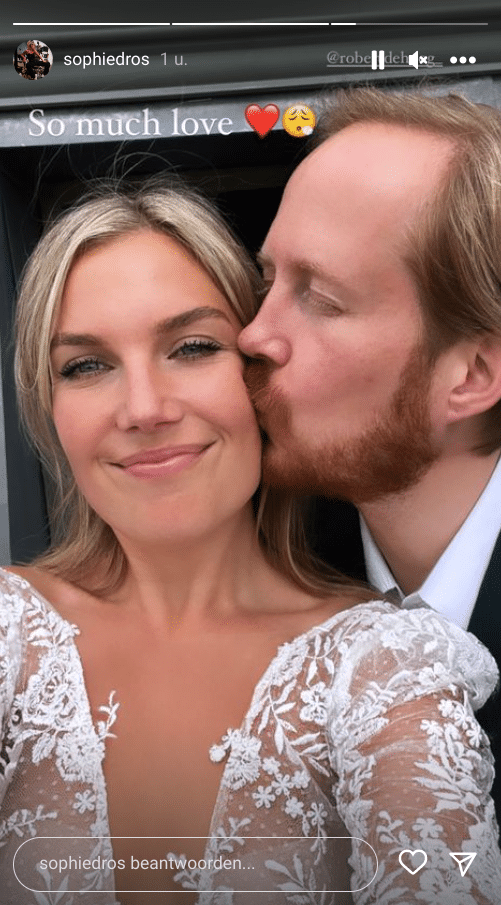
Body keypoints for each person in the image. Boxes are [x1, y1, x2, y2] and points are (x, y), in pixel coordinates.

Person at [1, 179, 499, 905]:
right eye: (86, 365)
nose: (144, 408)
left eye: (192, 347)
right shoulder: (8, 637)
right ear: (48, 407)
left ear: (261, 373)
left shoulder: (386, 670)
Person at [238, 87, 501, 825]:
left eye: (320, 299)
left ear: (471, 375)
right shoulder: (256, 571)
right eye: (266, 281)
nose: (253, 335)